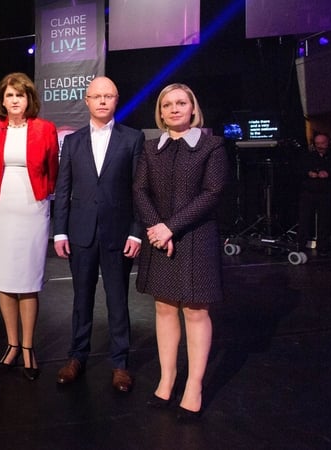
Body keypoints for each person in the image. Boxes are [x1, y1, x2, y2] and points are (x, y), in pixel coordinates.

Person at [133, 83, 228, 419]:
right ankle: (167, 378)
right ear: (160, 112)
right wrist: (157, 228)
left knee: (195, 311)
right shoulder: (150, 148)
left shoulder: (211, 146)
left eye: (181, 103)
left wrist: (170, 227)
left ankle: (194, 385)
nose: (174, 109)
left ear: (192, 108)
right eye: (167, 104)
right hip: (160, 237)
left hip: (195, 237)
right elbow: (140, 190)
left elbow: (212, 193)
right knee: (164, 307)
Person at [53, 76, 144, 391]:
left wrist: (136, 233)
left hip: (119, 234)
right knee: (81, 299)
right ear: (87, 100)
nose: (103, 101)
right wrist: (59, 232)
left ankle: (120, 363)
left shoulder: (133, 139)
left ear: (117, 100)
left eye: (109, 95)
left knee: (118, 300)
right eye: (97, 96)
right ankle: (77, 356)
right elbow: (62, 189)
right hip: (80, 232)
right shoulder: (73, 141)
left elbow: (139, 191)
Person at [0, 73, 59, 381]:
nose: (15, 100)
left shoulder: (45, 129)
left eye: (21, 95)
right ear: (2, 100)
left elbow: (52, 167)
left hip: (33, 207)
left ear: (30, 100)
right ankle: (12, 344)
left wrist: (43, 196)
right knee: (4, 279)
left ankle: (28, 347)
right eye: (10, 95)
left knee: (28, 279)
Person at [297, 132, 331, 255]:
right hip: (308, 192)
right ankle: (300, 244)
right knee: (304, 219)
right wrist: (308, 173)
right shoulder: (307, 157)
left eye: (322, 143)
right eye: (317, 144)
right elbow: (297, 171)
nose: (320, 146)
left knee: (324, 221)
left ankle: (323, 247)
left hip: (326, 193)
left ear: (329, 143)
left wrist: (329, 174)